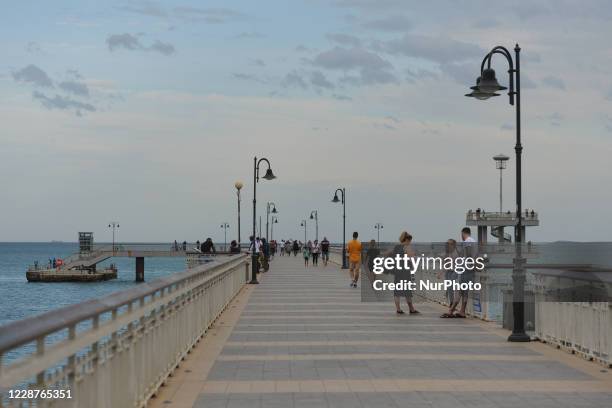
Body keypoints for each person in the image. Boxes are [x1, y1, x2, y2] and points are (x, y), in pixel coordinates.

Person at [447, 227, 477, 318]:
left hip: (466, 268)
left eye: (461, 235)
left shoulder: (467, 240)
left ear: (463, 233)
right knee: (465, 291)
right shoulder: (474, 241)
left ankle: (451, 310)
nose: (461, 237)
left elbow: (468, 254)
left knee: (460, 290)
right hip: (471, 269)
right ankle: (462, 311)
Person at [386, 232, 419, 314]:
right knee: (407, 291)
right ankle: (411, 309)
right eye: (410, 240)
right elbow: (411, 256)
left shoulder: (396, 247)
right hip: (405, 271)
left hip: (397, 271)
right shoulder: (406, 247)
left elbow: (389, 255)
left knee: (397, 291)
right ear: (407, 239)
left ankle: (398, 309)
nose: (410, 242)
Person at [439, 239, 460, 317]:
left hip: (455, 271)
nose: (448, 245)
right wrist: (441, 272)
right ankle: (451, 303)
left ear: (453, 245)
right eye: (447, 243)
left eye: (450, 244)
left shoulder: (456, 253)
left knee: (451, 287)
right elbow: (445, 263)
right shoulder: (448, 252)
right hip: (448, 271)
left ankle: (452, 305)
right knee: (449, 288)